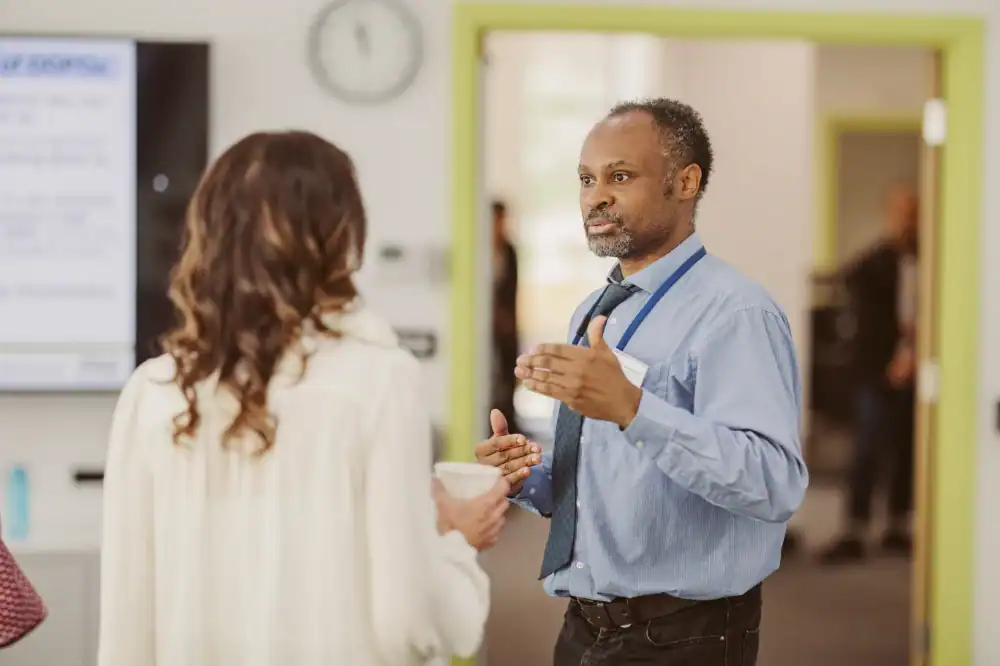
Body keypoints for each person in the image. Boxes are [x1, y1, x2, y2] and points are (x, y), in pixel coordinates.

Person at [97, 130, 508, 666]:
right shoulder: (382, 379)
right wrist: (455, 541)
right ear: (340, 236)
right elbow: (404, 625)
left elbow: (126, 629)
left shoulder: (150, 393)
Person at [475, 98, 808, 666]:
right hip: (585, 624)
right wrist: (528, 475)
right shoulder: (597, 308)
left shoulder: (736, 314)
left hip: (682, 637)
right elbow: (613, 472)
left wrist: (632, 407)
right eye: (586, 179)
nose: (595, 195)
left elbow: (774, 484)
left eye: (620, 176)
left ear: (685, 182)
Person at [820, 184, 919, 564]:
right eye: (900, 213)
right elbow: (868, 319)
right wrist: (891, 362)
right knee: (867, 449)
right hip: (876, 372)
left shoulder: (932, 261)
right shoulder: (872, 264)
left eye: (912, 213)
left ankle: (898, 523)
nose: (907, 221)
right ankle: (855, 527)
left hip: (916, 374)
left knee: (908, 449)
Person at [490, 199, 521, 435]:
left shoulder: (509, 251)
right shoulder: (480, 253)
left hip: (506, 325)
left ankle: (510, 421)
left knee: (509, 373)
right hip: (486, 326)